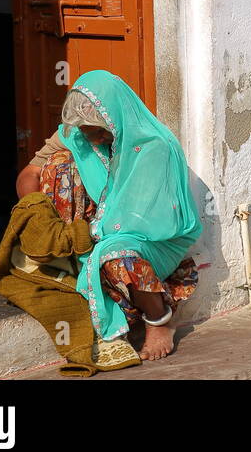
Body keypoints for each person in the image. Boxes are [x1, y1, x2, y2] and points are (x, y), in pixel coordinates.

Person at [14, 70, 202, 361]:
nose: (96, 139)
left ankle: (160, 320)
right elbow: (31, 173)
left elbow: (148, 222)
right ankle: (68, 255)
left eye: (101, 132)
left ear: (115, 117)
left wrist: (92, 234)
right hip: (99, 227)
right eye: (88, 133)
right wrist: (39, 216)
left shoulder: (155, 148)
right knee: (59, 164)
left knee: (118, 257)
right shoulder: (78, 134)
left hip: (148, 237)